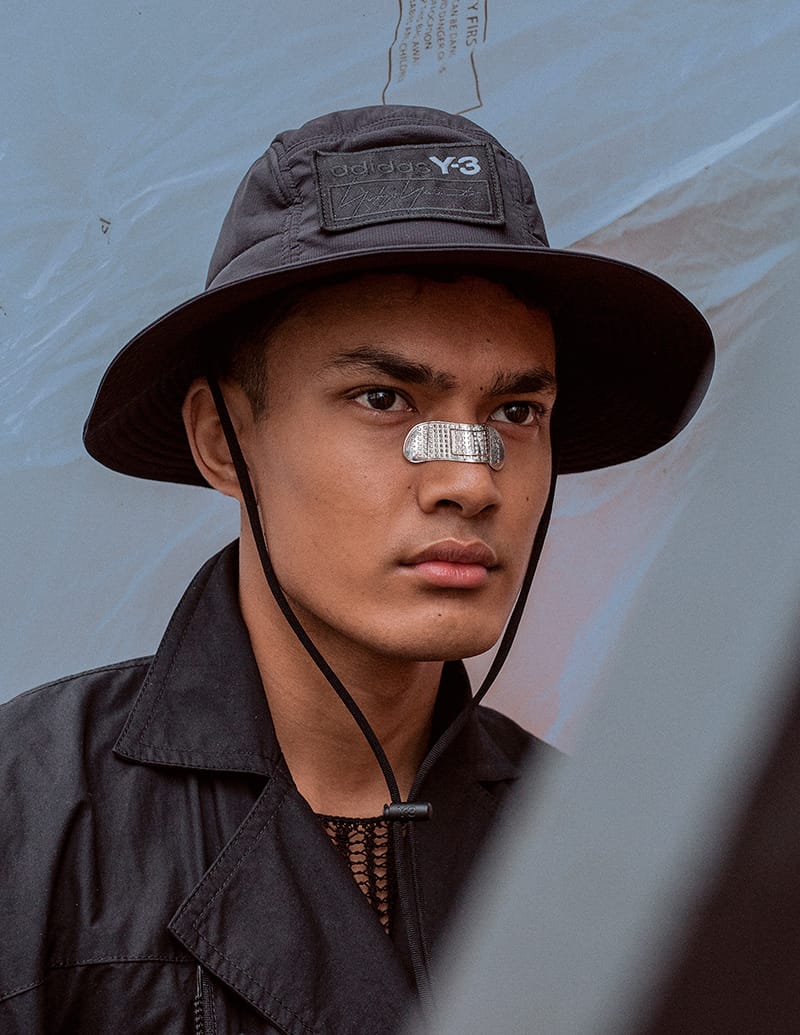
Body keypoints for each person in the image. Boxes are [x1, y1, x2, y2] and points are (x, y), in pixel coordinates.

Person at [0, 105, 713, 1034]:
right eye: (384, 398)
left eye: (516, 413)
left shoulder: (606, 860)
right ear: (222, 439)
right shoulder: (28, 822)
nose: (469, 481)